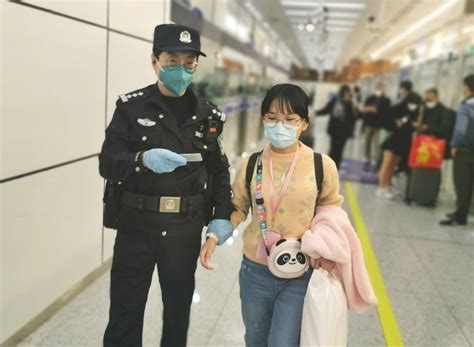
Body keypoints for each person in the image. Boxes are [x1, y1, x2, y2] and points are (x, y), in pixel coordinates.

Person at [99, 24, 233, 347]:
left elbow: (219, 171)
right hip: (136, 227)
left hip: (183, 231)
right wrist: (141, 159)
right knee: (124, 315)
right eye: (172, 60)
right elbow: (108, 161)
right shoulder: (131, 108)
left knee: (177, 315)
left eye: (189, 62)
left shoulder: (208, 116)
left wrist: (221, 216)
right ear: (155, 61)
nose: (181, 69)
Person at [200, 84, 344, 346]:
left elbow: (331, 210)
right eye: (273, 118)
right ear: (263, 119)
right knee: (255, 339)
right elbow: (238, 207)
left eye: (290, 119)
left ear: (304, 124)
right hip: (256, 270)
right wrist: (214, 235)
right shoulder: (252, 163)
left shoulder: (321, 166)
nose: (281, 125)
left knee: (283, 342)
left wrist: (328, 250)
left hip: (300, 270)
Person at [376, 81, 422, 199]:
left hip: (402, 142)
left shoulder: (412, 113)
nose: (413, 105)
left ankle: (387, 186)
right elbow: (384, 120)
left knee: (393, 165)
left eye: (415, 104)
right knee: (386, 164)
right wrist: (395, 124)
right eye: (412, 103)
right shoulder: (397, 108)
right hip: (392, 140)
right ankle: (381, 188)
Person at [440, 74, 474, 226]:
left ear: (468, 87)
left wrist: (454, 144)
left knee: (462, 184)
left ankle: (460, 216)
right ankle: (462, 212)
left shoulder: (467, 105)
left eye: (464, 85)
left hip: (465, 151)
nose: (462, 88)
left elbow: (461, 130)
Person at [316, 85, 356, 168]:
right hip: (334, 129)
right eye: (345, 93)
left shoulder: (350, 104)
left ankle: (336, 167)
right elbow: (326, 110)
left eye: (348, 93)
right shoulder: (335, 101)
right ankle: (328, 166)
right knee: (333, 148)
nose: (347, 95)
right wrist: (316, 113)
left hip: (344, 131)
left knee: (340, 149)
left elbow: (353, 117)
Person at [415, 88, 456, 159]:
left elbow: (445, 129)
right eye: (426, 100)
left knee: (432, 165)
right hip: (423, 142)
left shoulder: (444, 112)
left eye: (430, 99)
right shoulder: (425, 109)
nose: (427, 102)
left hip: (436, 145)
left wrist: (428, 128)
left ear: (437, 97)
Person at [360, 81, 391, 166]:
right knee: (367, 141)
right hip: (369, 123)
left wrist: (376, 111)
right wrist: (368, 109)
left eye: (381, 87)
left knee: (377, 143)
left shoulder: (386, 100)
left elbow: (386, 112)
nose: (379, 89)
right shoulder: (370, 98)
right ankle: (367, 156)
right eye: (378, 87)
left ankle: (375, 159)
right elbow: (364, 108)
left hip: (379, 124)